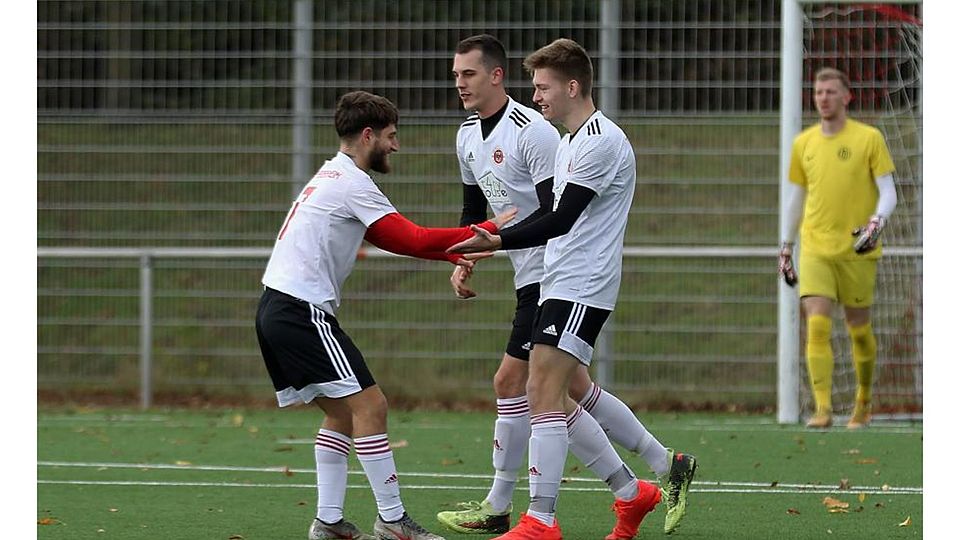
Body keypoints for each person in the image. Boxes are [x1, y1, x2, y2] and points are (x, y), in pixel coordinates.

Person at [436, 34, 697, 537]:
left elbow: (559, 219)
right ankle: (645, 481)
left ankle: (539, 517)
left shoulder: (599, 141)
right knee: (558, 390)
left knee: (537, 389)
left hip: (581, 282)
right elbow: (541, 217)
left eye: (543, 87)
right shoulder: (573, 140)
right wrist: (484, 239)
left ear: (572, 86)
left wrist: (490, 241)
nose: (536, 96)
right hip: (559, 279)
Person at [255, 90, 513, 540]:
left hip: (277, 309)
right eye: (391, 136)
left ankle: (329, 523)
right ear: (368, 134)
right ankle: (393, 522)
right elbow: (412, 238)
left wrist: (455, 255)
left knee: (341, 414)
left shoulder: (331, 175)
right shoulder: (351, 182)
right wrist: (492, 228)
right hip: (299, 311)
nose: (396, 146)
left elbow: (397, 241)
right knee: (371, 406)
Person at [779, 67, 898, 429]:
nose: (823, 98)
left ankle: (863, 401)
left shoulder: (869, 138)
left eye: (831, 92)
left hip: (857, 248)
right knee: (816, 324)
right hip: (815, 246)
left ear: (847, 96)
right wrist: (786, 246)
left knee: (858, 330)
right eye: (818, 92)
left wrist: (876, 222)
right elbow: (796, 198)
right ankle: (823, 409)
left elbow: (888, 190)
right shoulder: (804, 144)